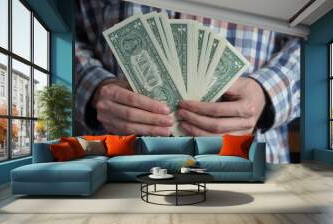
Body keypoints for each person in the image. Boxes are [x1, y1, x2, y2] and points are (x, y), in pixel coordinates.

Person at [75, 0, 300, 163]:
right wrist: (96, 86)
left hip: (247, 156)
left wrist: (266, 91)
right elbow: (65, 33)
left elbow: (311, 37)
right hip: (123, 158)